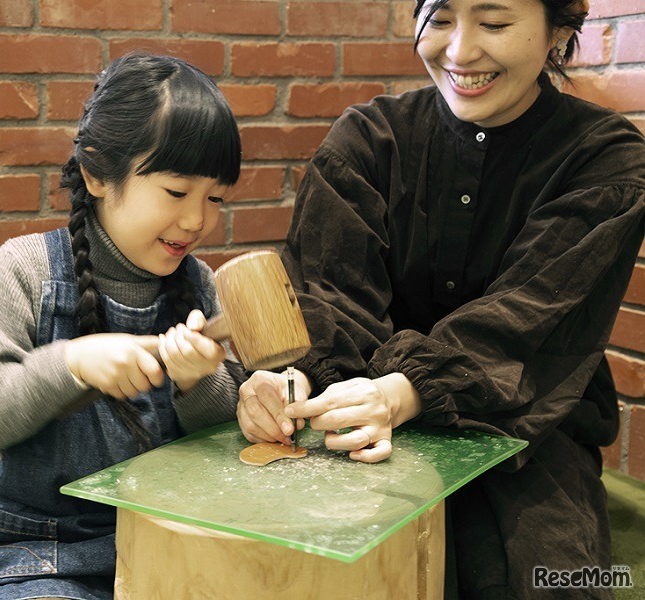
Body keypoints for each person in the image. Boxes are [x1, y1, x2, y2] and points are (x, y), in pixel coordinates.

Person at [236, 0, 644, 598]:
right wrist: (290, 384)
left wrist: (406, 391)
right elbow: (329, 296)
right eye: (442, 18)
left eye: (495, 23)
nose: (459, 51)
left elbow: (531, 319)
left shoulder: (605, 159)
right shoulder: (367, 139)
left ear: (559, 31)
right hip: (357, 413)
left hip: (524, 429)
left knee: (550, 580)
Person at [0, 53, 245, 600]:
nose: (197, 220)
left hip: (163, 544)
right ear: (97, 173)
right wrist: (69, 364)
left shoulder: (201, 285)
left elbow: (227, 435)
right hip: (32, 551)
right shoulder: (27, 268)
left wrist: (200, 383)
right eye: (176, 192)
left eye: (214, 197)